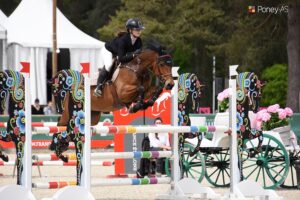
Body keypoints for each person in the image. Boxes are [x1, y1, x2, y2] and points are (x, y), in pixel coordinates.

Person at [94, 18, 144, 96]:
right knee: (109, 65)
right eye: (137, 29)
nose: (139, 31)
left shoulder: (139, 41)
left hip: (120, 53)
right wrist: (134, 55)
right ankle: (98, 87)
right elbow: (121, 59)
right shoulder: (123, 40)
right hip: (108, 51)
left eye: (140, 29)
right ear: (130, 30)